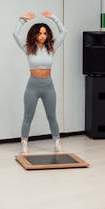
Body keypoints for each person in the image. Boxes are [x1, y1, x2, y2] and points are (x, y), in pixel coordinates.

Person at [12, 10, 67, 154]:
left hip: (48, 86)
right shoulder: (28, 48)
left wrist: (54, 18)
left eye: (45, 33)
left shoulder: (52, 48)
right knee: (28, 116)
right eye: (40, 33)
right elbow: (15, 34)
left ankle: (57, 142)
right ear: (35, 34)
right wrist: (22, 20)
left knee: (52, 116)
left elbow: (64, 32)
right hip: (33, 86)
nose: (42, 36)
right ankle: (24, 142)